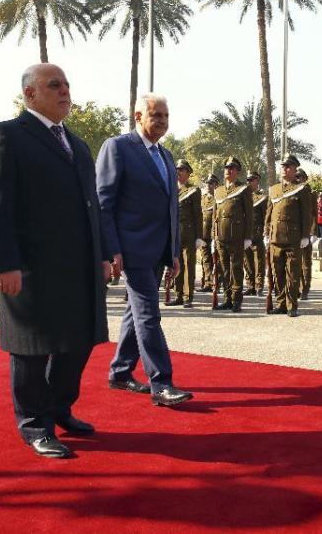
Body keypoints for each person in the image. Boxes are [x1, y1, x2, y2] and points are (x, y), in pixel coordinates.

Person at [0, 63, 111, 459]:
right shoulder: (6, 136)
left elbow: (93, 208)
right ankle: (34, 423)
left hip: (79, 267)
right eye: (54, 85)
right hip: (30, 267)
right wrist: (4, 264)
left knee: (78, 342)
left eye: (67, 84)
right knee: (32, 349)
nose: (64, 91)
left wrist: (104, 255)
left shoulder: (79, 144)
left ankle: (59, 407)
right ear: (30, 94)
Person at [97, 91, 193, 408]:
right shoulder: (118, 148)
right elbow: (104, 204)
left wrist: (174, 251)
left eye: (166, 116)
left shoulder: (166, 156)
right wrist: (111, 249)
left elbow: (170, 209)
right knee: (148, 314)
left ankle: (121, 372)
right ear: (139, 116)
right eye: (156, 116)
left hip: (157, 250)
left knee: (134, 313)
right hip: (132, 250)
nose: (163, 121)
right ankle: (161, 383)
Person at [264, 154, 313, 317]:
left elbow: (307, 214)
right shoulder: (274, 189)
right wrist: (266, 233)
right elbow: (269, 214)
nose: (284, 169)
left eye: (288, 167)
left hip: (293, 239)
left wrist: (306, 235)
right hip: (275, 238)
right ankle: (281, 303)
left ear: (294, 169)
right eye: (283, 166)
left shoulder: (302, 188)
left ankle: (292, 305)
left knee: (292, 273)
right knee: (277, 274)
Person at [212, 156, 254, 312]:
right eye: (226, 168)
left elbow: (249, 215)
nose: (228, 171)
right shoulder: (218, 191)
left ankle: (237, 300)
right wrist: (213, 236)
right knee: (224, 269)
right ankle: (227, 299)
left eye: (232, 168)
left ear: (237, 171)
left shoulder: (243, 189)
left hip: (237, 235)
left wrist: (248, 237)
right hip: (221, 237)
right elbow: (215, 216)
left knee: (236, 268)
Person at [170, 159, 203, 308]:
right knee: (176, 265)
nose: (178, 172)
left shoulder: (193, 190)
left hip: (189, 234)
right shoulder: (171, 189)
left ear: (188, 173)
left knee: (188, 266)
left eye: (182, 170)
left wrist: (199, 237)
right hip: (174, 234)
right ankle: (178, 295)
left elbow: (198, 214)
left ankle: (188, 296)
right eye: (177, 169)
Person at [244, 171, 267, 296]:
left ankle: (259, 286)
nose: (248, 182)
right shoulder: (244, 195)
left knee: (259, 261)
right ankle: (250, 285)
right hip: (245, 233)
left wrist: (266, 232)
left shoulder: (262, 197)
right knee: (247, 261)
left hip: (257, 233)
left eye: (251, 180)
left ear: (257, 181)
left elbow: (266, 216)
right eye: (248, 180)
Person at [296, 168, 318, 299]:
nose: (298, 179)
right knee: (295, 262)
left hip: (307, 232)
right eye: (296, 177)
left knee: (306, 262)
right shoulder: (293, 191)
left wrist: (313, 232)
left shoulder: (311, 193)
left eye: (300, 177)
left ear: (305, 178)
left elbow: (314, 214)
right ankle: (298, 286)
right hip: (295, 231)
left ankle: (305, 288)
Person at [199, 174, 220, 292]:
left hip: (216, 235)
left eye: (211, 183)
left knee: (217, 260)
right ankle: (208, 283)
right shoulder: (203, 198)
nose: (208, 185)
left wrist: (215, 235)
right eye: (207, 183)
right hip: (204, 234)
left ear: (216, 185)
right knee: (205, 259)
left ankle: (218, 281)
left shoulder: (219, 198)